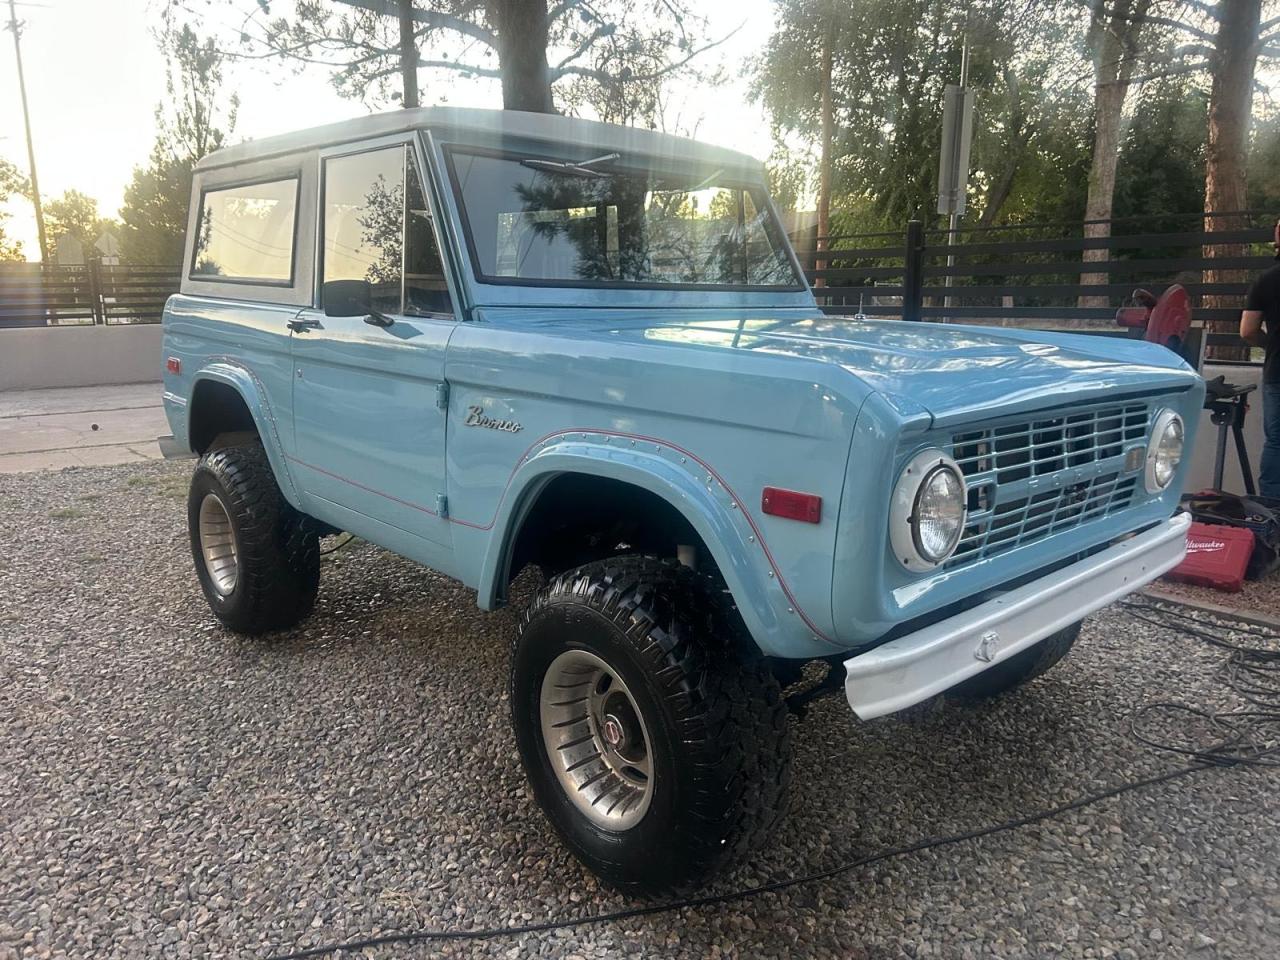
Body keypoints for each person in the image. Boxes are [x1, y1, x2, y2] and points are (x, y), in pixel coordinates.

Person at [1241, 221, 1280, 499]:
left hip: (1278, 371)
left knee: (1277, 443)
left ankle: (1272, 514)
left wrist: (1271, 344)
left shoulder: (1266, 280)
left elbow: (1248, 331)